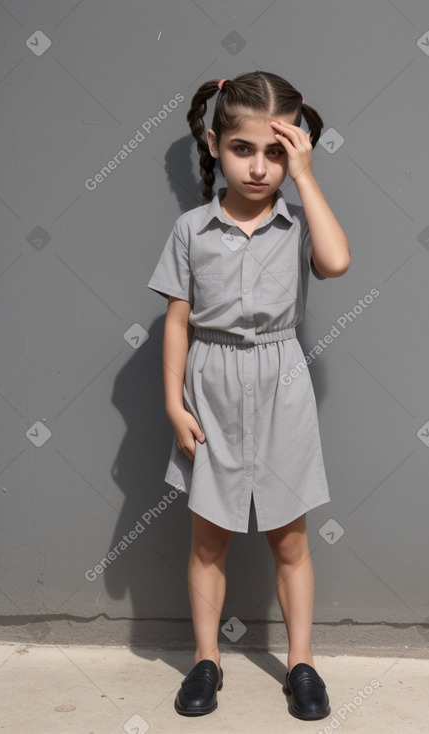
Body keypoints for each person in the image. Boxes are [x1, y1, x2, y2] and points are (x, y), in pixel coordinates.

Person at [147, 70, 350, 720]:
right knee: (209, 539)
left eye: (275, 152)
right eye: (243, 149)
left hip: (280, 383)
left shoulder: (297, 221)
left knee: (289, 540)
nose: (259, 167)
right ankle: (206, 660)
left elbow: (337, 263)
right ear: (214, 144)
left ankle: (301, 663)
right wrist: (176, 405)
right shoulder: (190, 230)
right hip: (210, 387)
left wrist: (308, 176)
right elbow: (177, 321)